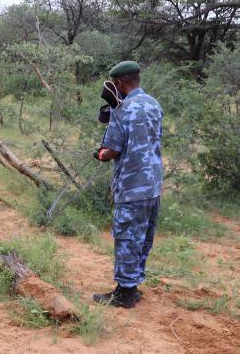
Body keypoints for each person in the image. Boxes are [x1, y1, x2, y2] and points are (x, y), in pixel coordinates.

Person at [92, 61, 164, 309]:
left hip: (132, 185)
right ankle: (132, 287)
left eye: (115, 84)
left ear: (120, 83)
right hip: (153, 185)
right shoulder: (154, 104)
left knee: (126, 237)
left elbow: (113, 149)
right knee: (143, 237)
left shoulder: (123, 110)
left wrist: (100, 154)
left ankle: (124, 293)